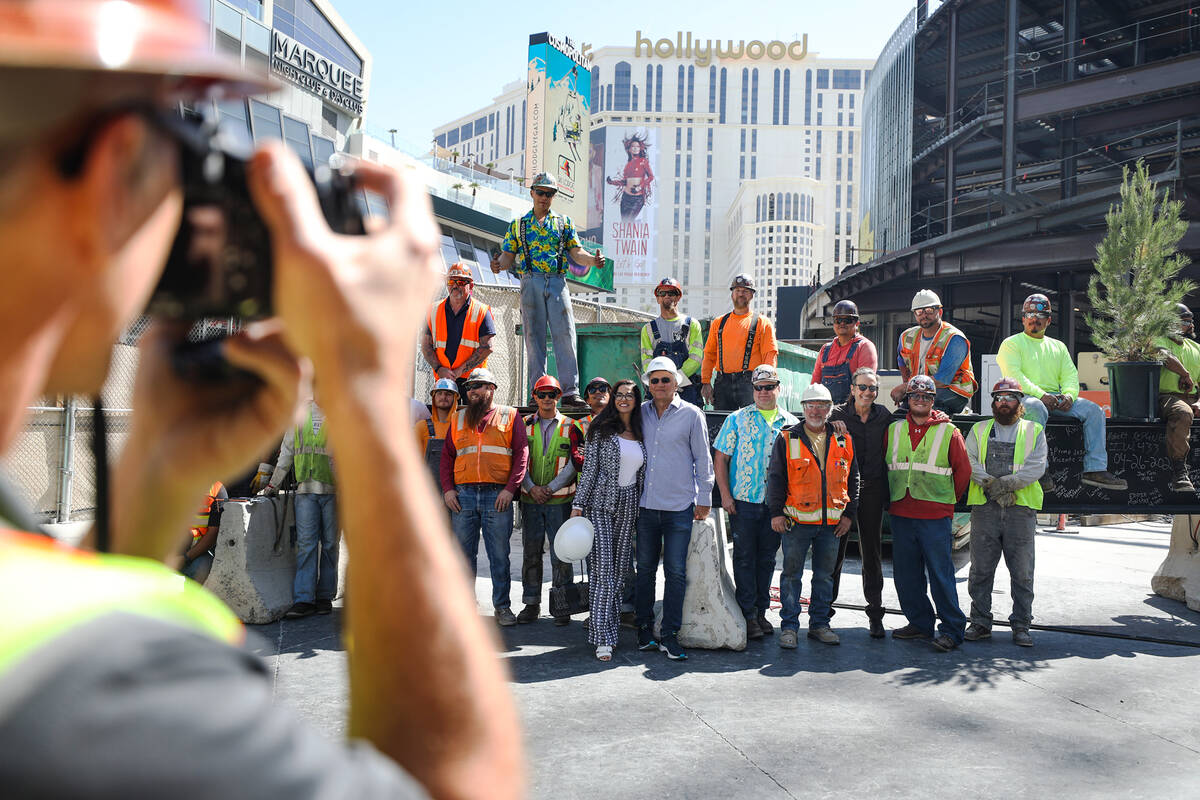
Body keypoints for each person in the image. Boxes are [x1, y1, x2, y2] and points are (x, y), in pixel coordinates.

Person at [0, 2, 522, 795]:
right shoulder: (100, 694)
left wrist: (150, 485)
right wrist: (367, 397)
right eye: (187, 153)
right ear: (115, 173)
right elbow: (461, 783)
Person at [491, 172, 602, 408]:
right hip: (530, 281)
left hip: (557, 281)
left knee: (565, 334)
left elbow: (576, 253)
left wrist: (593, 261)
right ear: (532, 193)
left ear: (554, 196)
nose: (544, 197)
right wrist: (499, 264)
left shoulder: (564, 223)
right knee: (534, 338)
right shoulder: (518, 224)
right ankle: (538, 390)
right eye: (540, 192)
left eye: (549, 193)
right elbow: (508, 255)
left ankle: (570, 392)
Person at [997, 293, 1127, 490]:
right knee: (1036, 407)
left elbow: (1070, 376)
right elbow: (1015, 377)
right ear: (1023, 318)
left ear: (1048, 320)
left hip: (1053, 398)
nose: (1035, 319)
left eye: (1040, 316)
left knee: (1094, 411)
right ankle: (1040, 470)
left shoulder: (1058, 347)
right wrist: (1042, 395)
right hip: (1023, 397)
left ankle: (1095, 469)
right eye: (1030, 314)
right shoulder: (1011, 344)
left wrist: (1068, 395)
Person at [766, 384, 859, 648]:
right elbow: (776, 479)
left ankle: (820, 625)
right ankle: (789, 628)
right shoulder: (787, 439)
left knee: (824, 576)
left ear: (830, 409)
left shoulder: (844, 439)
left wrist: (848, 516)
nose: (816, 411)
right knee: (791, 575)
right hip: (797, 524)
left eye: (821, 405)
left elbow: (854, 479)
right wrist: (776, 514)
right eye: (811, 405)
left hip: (832, 525)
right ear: (803, 408)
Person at [636, 356, 715, 661]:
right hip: (645, 506)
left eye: (665, 380)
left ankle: (669, 634)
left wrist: (704, 496)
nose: (659, 385)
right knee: (644, 571)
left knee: (676, 572)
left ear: (676, 383)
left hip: (679, 507)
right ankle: (643, 629)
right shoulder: (639, 413)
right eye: (653, 380)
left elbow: (702, 458)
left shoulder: (692, 415)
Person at [886, 375, 971, 652]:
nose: (920, 400)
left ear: (933, 401)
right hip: (902, 511)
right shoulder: (894, 429)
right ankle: (920, 624)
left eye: (925, 397)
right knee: (907, 574)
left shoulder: (949, 431)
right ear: (907, 400)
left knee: (940, 574)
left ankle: (952, 629)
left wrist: (946, 502)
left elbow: (963, 472)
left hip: (934, 515)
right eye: (915, 396)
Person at [713, 364, 799, 640]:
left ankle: (762, 611)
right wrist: (725, 495)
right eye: (759, 387)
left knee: (767, 559)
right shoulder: (737, 420)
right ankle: (747, 614)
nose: (764, 392)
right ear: (753, 390)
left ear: (778, 388)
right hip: (744, 503)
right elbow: (721, 459)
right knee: (744, 558)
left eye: (769, 387)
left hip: (775, 506)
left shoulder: (790, 425)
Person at [441, 367, 529, 626]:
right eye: (469, 388)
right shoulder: (457, 418)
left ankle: (502, 607)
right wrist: (448, 489)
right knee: (462, 555)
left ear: (492, 389)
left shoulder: (510, 415)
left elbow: (521, 453)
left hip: (497, 495)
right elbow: (447, 457)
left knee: (499, 555)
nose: (472, 391)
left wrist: (510, 489)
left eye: (478, 386)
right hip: (463, 496)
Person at [963, 378, 1047, 648]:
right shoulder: (979, 429)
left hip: (1020, 510)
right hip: (985, 508)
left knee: (1022, 571)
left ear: (1019, 402)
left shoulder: (1034, 431)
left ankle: (1022, 625)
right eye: (999, 398)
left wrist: (1008, 485)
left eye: (1010, 398)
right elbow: (969, 461)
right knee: (980, 570)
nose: (1003, 403)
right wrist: (992, 485)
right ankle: (980, 622)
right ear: (993, 402)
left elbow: (1036, 467)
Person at [571, 379, 647, 661]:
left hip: (628, 508)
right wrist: (578, 505)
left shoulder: (641, 432)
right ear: (613, 399)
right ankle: (602, 637)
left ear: (637, 400)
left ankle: (611, 629)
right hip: (600, 506)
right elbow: (589, 471)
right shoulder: (600, 431)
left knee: (618, 575)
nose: (624, 399)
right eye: (619, 395)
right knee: (602, 570)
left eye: (629, 395)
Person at [262, 397, 339, 619]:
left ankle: (324, 596)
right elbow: (287, 450)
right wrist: (273, 484)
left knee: (330, 544)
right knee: (306, 544)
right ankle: (304, 599)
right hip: (305, 488)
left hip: (333, 491)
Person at [829, 367, 891, 638]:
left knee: (872, 554)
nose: (868, 392)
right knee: (835, 553)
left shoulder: (884, 416)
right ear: (852, 389)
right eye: (863, 387)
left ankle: (875, 614)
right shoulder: (837, 416)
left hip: (873, 491)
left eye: (873, 388)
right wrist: (833, 427)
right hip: (842, 492)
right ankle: (823, 613)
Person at [517, 375, 578, 626]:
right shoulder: (523, 425)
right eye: (541, 394)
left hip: (559, 502)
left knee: (561, 554)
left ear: (559, 396)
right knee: (531, 553)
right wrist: (531, 488)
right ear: (534, 397)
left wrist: (550, 488)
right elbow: (516, 460)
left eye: (551, 394)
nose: (546, 399)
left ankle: (562, 606)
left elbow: (575, 462)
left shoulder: (572, 427)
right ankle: (531, 604)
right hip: (530, 501)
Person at [889, 289, 976, 414]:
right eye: (919, 311)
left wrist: (906, 387)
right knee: (902, 415)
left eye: (929, 310)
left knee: (931, 407)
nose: (924, 315)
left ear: (939, 311)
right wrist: (906, 387)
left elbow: (942, 380)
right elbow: (901, 361)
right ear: (914, 314)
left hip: (951, 392)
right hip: (920, 391)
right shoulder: (906, 337)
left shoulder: (954, 338)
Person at [701, 273, 779, 410]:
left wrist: (766, 384)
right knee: (722, 426)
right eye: (737, 290)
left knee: (752, 425)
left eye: (745, 291)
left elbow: (770, 355)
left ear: (752, 295)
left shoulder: (762, 323)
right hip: (722, 383)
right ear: (732, 294)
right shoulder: (719, 323)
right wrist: (706, 382)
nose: (741, 294)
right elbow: (709, 354)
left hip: (751, 383)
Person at [421, 262, 496, 395]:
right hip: (443, 380)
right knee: (445, 416)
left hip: (474, 383)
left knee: (472, 416)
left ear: (471, 285)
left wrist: (458, 372)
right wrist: (439, 369)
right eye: (451, 281)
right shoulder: (432, 310)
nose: (455, 285)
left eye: (461, 281)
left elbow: (487, 347)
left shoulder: (482, 311)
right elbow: (426, 346)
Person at [1155, 303, 1200, 492]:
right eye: (1182, 320)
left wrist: (1199, 402)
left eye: (1187, 320)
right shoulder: (1158, 340)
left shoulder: (1196, 348)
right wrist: (1185, 373)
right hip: (1168, 397)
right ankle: (1179, 472)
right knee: (1182, 412)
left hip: (1194, 398)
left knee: (1189, 408)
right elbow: (1164, 356)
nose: (1186, 324)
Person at [640, 277, 704, 406]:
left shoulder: (691, 325)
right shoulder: (648, 329)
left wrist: (676, 380)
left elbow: (696, 358)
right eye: (662, 293)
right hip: (659, 390)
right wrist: (663, 383)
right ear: (657, 298)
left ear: (678, 297)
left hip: (686, 389)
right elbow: (647, 362)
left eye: (672, 293)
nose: (667, 296)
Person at [811, 300, 879, 404]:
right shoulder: (825, 350)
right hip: (825, 410)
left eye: (847, 320)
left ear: (857, 323)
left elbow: (865, 388)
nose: (842, 323)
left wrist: (843, 411)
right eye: (838, 320)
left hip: (853, 412)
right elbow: (815, 385)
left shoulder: (865, 347)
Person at [178, 481, 227, 585]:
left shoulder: (216, 489)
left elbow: (213, 533)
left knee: (201, 568)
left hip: (193, 554)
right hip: (162, 552)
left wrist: (185, 558)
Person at [415, 378, 458, 482]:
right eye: (439, 393)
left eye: (448, 394)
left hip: (455, 488)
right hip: (427, 485)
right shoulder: (422, 426)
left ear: (455, 398)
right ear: (433, 397)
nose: (443, 397)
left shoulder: (461, 426)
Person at [605, 131, 655, 221]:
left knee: (629, 221)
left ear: (640, 149)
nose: (635, 149)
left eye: (637, 147)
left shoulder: (643, 161)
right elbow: (625, 182)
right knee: (624, 223)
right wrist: (612, 182)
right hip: (625, 198)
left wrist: (639, 187)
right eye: (633, 147)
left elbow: (651, 177)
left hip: (637, 198)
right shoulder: (628, 164)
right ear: (629, 149)